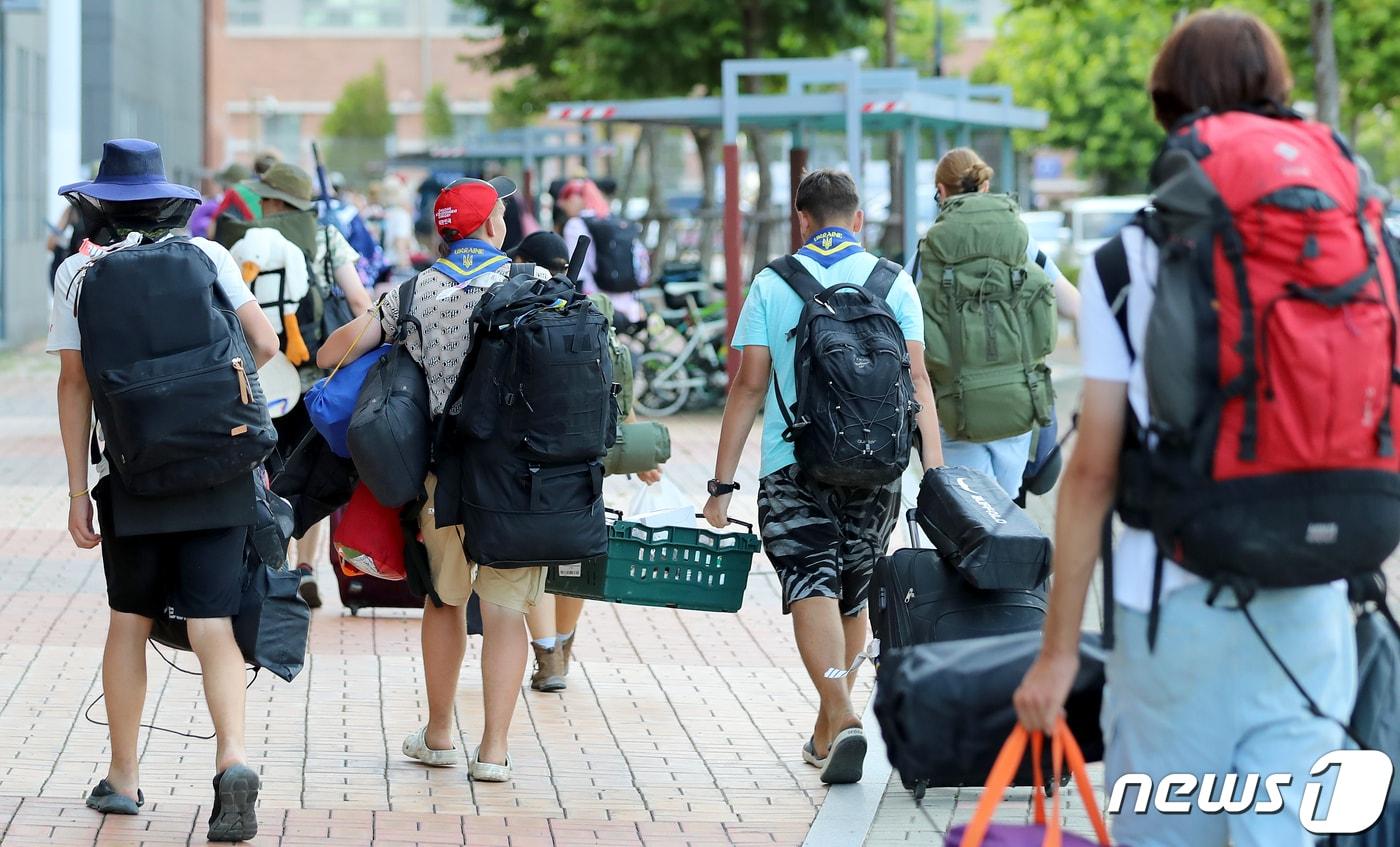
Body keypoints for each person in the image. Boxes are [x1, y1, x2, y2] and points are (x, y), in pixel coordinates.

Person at [1014, 11, 1360, 847]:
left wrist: (1059, 652)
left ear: (1169, 107)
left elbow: (1092, 473)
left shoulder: (1130, 255)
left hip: (1171, 608)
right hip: (1316, 597)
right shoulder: (1354, 235)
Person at [49, 139, 280, 841]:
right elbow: (265, 343)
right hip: (219, 462)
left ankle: (122, 778)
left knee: (131, 618)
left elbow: (74, 383)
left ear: (98, 205)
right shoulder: (208, 257)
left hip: (132, 472)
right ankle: (233, 760)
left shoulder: (77, 275)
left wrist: (75, 491)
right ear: (169, 201)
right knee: (213, 622)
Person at [703, 169, 943, 784]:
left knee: (812, 582)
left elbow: (749, 385)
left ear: (801, 220)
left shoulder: (773, 282)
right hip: (879, 467)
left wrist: (722, 486)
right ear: (857, 220)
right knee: (854, 591)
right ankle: (828, 726)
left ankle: (838, 714)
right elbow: (918, 382)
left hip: (793, 464)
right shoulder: (894, 282)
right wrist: (936, 477)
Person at [317, 176, 549, 782]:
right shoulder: (536, 286)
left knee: (444, 601)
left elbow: (329, 357)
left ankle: (441, 733)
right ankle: (494, 751)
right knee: (505, 610)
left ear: (443, 232)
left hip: (440, 476)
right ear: (494, 227)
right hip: (520, 480)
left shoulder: (414, 292)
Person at [509, 231, 664, 693]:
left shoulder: (520, 306)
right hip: (588, 454)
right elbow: (619, 385)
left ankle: (547, 655)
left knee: (534, 558)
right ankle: (566, 646)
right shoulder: (595, 314)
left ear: (520, 260)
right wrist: (636, 450)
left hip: (530, 453)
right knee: (574, 557)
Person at [242, 163, 372, 608]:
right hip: (314, 370)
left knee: (262, 465)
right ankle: (305, 568)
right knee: (310, 469)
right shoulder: (326, 236)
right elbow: (358, 300)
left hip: (262, 371)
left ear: (275, 200)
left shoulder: (249, 236)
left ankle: (266, 560)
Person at [913, 148, 1073, 499]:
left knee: (969, 518)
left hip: (956, 410)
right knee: (1007, 513)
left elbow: (909, 338)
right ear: (984, 187)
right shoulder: (1021, 242)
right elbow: (1072, 304)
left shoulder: (929, 252)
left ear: (941, 191)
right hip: (1018, 405)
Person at [557, 178, 648, 323]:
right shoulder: (612, 220)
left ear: (575, 199)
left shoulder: (575, 225)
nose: (563, 207)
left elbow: (578, 267)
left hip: (596, 299)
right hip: (627, 301)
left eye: (565, 201)